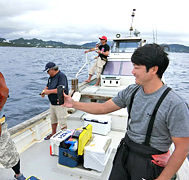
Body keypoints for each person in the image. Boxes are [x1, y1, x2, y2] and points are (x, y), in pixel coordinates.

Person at [62, 44, 189, 180]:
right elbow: (103, 108)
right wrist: (73, 103)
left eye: (136, 67)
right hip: (125, 152)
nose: (132, 72)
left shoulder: (175, 104)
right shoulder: (132, 91)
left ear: (153, 70)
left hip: (149, 162)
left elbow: (182, 148)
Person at [41, 62, 69, 140]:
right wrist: (44, 91)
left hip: (60, 103)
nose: (47, 73)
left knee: (62, 121)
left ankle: (65, 137)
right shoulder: (50, 77)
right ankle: (53, 133)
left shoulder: (61, 76)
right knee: (53, 120)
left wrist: (48, 92)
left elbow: (61, 90)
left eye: (48, 71)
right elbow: (47, 86)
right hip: (52, 103)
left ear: (52, 69)